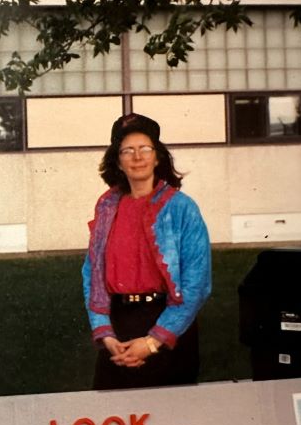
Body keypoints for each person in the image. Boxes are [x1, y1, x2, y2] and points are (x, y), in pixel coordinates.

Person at [81, 113, 211, 390]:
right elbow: (92, 272)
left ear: (158, 157)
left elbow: (196, 285)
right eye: (127, 151)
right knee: (112, 419)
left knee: (171, 423)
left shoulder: (182, 208)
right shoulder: (106, 206)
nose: (137, 157)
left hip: (169, 325)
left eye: (144, 149)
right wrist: (105, 334)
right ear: (117, 161)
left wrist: (153, 342)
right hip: (118, 328)